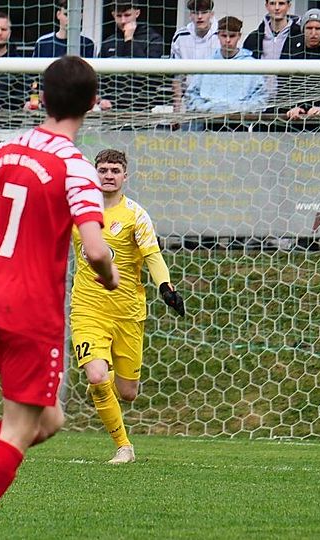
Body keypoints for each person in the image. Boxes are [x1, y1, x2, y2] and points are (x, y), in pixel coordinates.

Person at [0, 55, 119, 540]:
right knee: (19, 429)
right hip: (34, 310)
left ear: (42, 99)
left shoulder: (6, 152)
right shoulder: (75, 167)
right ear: (92, 104)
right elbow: (96, 249)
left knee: (47, 418)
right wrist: (111, 276)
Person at [70, 149, 185, 465]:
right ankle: (124, 447)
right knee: (97, 376)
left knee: (128, 392)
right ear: (95, 173)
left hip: (128, 312)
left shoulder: (136, 215)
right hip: (87, 308)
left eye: (115, 170)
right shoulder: (78, 211)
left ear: (125, 176)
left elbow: (152, 256)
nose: (108, 175)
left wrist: (165, 286)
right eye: (103, 170)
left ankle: (103, 389)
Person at [183, 17, 267, 116]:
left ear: (239, 36)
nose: (227, 40)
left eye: (232, 36)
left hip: (241, 122)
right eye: (224, 36)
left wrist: (238, 109)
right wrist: (207, 108)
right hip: (207, 121)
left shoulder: (251, 65)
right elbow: (191, 95)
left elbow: (261, 99)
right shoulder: (207, 64)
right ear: (218, 35)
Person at [99, 2, 165, 111]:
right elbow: (101, 78)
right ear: (113, 15)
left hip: (142, 110)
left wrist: (129, 39)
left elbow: (149, 74)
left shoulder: (153, 39)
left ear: (137, 13)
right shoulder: (109, 42)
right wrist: (102, 98)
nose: (123, 21)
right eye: (119, 16)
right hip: (112, 111)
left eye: (127, 15)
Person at [170, 0, 219, 111]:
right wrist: (176, 109)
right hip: (190, 102)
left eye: (204, 12)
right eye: (195, 13)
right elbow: (177, 77)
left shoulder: (222, 35)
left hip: (217, 101)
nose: (199, 17)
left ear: (211, 14)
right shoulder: (180, 36)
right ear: (190, 15)